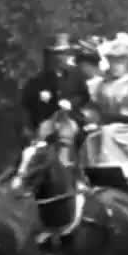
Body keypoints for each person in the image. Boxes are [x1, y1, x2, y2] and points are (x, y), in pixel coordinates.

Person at [87, 32, 128, 189]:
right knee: (92, 137)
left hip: (127, 125)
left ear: (126, 63)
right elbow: (94, 106)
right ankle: (91, 176)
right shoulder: (102, 83)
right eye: (113, 61)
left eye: (120, 62)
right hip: (105, 123)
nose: (116, 65)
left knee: (109, 134)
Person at [21, 34, 90, 165]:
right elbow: (27, 102)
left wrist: (71, 103)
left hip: (70, 118)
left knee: (69, 135)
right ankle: (28, 172)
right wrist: (40, 102)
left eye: (63, 53)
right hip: (48, 119)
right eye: (57, 54)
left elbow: (84, 96)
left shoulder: (76, 76)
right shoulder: (39, 80)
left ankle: (71, 170)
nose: (60, 57)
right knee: (39, 139)